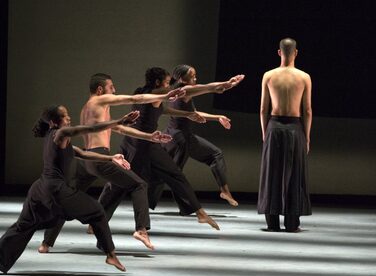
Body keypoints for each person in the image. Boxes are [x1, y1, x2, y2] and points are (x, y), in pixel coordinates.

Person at [0, 105, 139, 274]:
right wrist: (119, 121)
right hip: (56, 191)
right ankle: (110, 254)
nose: (69, 118)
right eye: (65, 116)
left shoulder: (59, 139)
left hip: (39, 190)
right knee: (97, 211)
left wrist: (111, 158)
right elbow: (90, 128)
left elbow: (83, 154)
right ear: (54, 122)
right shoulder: (59, 134)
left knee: (21, 227)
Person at [38, 74, 183, 253]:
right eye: (111, 87)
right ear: (100, 90)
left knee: (66, 201)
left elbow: (119, 128)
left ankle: (46, 243)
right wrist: (164, 96)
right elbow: (135, 98)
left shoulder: (88, 109)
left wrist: (149, 136)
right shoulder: (99, 101)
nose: (114, 91)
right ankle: (141, 229)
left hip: (87, 162)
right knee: (139, 185)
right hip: (99, 157)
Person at [108, 67, 243, 230]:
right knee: (170, 176)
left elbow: (162, 110)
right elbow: (207, 87)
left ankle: (98, 221)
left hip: (132, 142)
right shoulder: (155, 96)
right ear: (158, 82)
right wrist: (225, 84)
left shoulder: (144, 92)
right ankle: (196, 213)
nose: (169, 85)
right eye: (166, 82)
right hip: (145, 144)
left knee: (121, 182)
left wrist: (187, 114)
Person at [144, 66, 244, 210]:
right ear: (181, 79)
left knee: (173, 170)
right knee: (174, 173)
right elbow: (211, 88)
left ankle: (223, 191)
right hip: (180, 139)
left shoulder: (179, 92)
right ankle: (183, 206)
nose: (195, 79)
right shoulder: (186, 90)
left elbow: (194, 112)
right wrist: (228, 83)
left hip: (176, 135)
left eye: (195, 76)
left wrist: (218, 117)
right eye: (192, 76)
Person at [258, 38, 312, 232]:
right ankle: (291, 223)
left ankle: (272, 222)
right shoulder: (304, 77)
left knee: (272, 172)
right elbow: (307, 110)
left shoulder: (269, 75)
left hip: (273, 125)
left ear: (279, 52)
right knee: (295, 172)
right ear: (296, 53)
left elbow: (264, 108)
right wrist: (306, 136)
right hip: (295, 126)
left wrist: (265, 133)